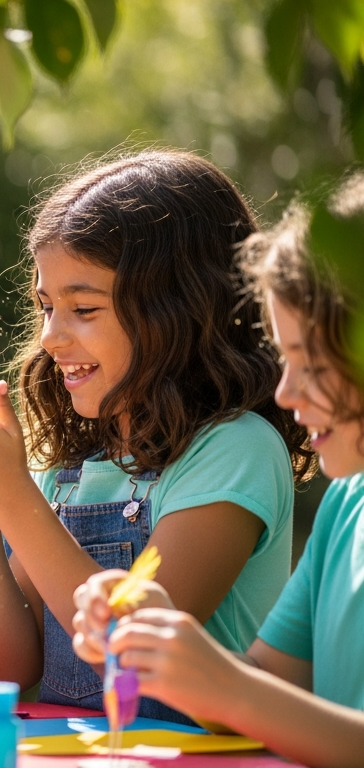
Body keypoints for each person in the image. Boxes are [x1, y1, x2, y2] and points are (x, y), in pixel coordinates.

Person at [0, 151, 311, 721]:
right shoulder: (72, 467)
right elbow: (12, 668)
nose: (51, 336)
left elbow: (133, 652)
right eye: (45, 306)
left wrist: (11, 494)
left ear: (179, 310)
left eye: (83, 308)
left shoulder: (235, 449)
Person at [72, 178, 364, 766]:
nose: (285, 393)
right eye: (285, 360)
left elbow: (252, 697)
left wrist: (229, 687)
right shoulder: (345, 507)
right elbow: (272, 691)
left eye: (312, 364)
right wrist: (171, 650)